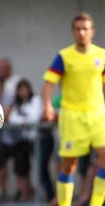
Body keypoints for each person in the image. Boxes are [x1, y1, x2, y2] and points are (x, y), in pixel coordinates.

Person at [42, 12, 105, 206]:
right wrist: (47, 105)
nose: (81, 33)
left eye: (85, 29)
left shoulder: (101, 55)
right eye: (78, 29)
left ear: (92, 31)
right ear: (73, 32)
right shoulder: (64, 56)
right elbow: (49, 83)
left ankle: (96, 203)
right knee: (69, 165)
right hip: (72, 116)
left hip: (97, 114)